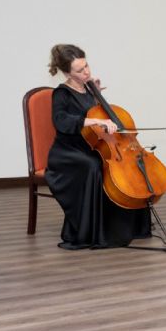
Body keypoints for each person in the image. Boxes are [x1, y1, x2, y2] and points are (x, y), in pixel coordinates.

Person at [45, 44, 151, 249]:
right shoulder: (61, 93)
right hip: (68, 152)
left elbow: (97, 115)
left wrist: (96, 96)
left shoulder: (89, 87)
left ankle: (128, 226)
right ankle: (91, 231)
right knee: (93, 165)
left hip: (89, 145)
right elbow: (61, 121)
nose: (86, 72)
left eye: (86, 66)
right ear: (67, 73)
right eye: (79, 70)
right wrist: (93, 121)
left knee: (120, 165)